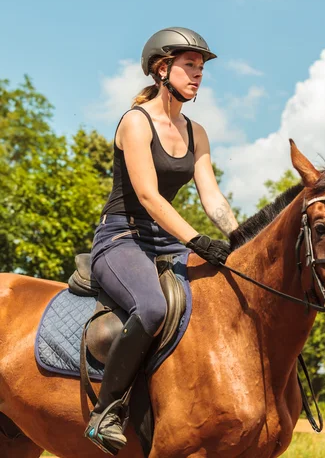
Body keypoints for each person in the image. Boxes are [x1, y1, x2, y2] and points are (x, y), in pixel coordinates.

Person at [84, 27, 239, 454]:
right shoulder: (136, 122)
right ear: (161, 68)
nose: (198, 74)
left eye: (202, 67)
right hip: (121, 239)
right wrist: (197, 241)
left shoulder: (197, 131)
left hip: (167, 241)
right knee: (152, 306)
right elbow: (149, 196)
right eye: (190, 65)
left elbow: (212, 197)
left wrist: (239, 240)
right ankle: (106, 412)